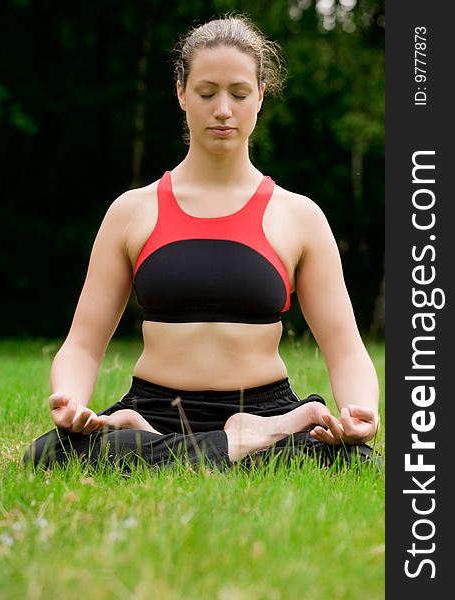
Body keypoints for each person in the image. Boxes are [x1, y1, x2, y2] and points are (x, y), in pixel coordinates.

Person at [23, 15, 380, 470]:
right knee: (48, 456)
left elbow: (345, 347)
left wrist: (359, 412)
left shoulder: (300, 216)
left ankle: (214, 439)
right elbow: (83, 344)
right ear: (181, 94)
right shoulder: (132, 211)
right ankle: (240, 447)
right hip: (156, 408)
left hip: (266, 407)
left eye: (239, 93)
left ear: (261, 96)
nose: (223, 110)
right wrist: (70, 399)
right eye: (207, 93)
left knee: (360, 462)